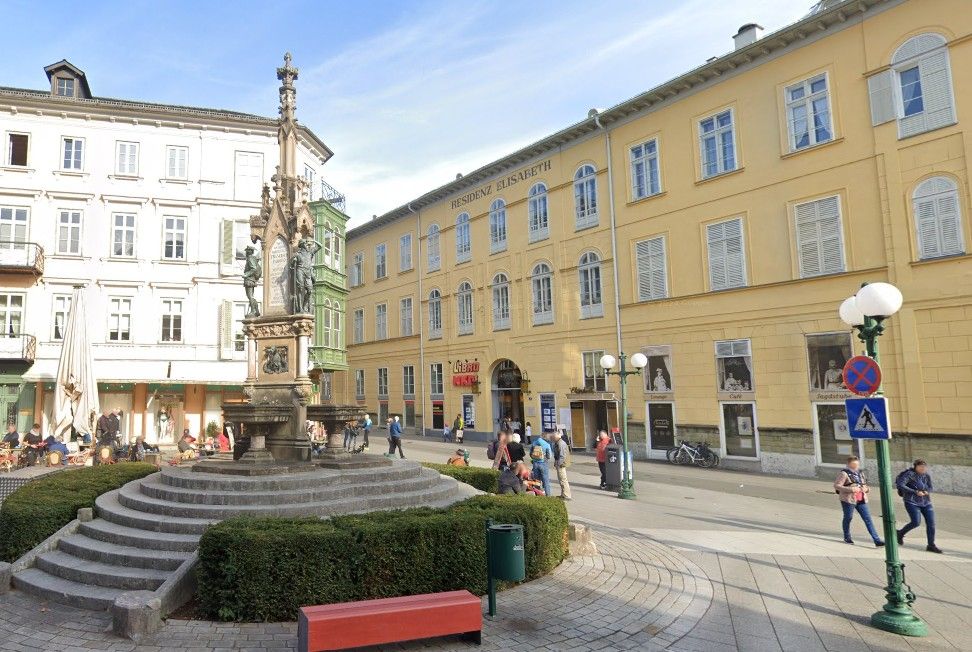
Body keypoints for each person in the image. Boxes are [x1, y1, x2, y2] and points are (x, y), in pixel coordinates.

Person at [834, 456, 884, 547]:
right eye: (854, 465)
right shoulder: (844, 473)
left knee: (868, 519)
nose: (856, 466)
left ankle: (876, 540)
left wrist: (867, 489)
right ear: (849, 464)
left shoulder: (860, 473)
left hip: (862, 499)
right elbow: (837, 486)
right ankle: (847, 537)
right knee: (848, 518)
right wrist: (851, 489)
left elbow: (865, 485)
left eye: (857, 464)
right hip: (849, 500)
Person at [896, 459, 942, 553]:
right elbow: (901, 484)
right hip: (911, 501)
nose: (922, 469)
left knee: (931, 523)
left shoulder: (926, 476)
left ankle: (931, 545)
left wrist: (927, 491)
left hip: (926, 502)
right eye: (920, 467)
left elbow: (930, 487)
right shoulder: (909, 474)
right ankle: (900, 533)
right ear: (915, 467)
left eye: (924, 467)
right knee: (916, 522)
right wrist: (915, 492)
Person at [529, 432, 553, 496]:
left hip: (535, 464)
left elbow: (530, 454)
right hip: (544, 463)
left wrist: (534, 459)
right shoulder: (547, 444)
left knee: (537, 480)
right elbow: (549, 456)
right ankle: (548, 495)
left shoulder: (534, 443)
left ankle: (538, 494)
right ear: (545, 437)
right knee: (546, 480)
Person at [551, 430, 572, 501]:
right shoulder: (558, 443)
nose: (552, 438)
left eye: (553, 437)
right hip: (560, 463)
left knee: (563, 479)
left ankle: (567, 495)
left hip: (561, 464)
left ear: (557, 437)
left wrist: (558, 464)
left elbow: (562, 456)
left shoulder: (561, 443)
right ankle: (563, 494)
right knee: (561, 480)